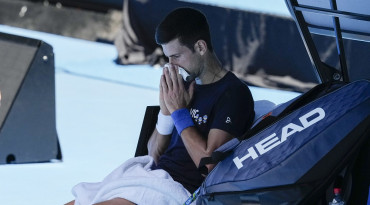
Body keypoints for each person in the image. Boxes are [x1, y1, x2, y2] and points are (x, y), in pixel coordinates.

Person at [66, 7, 254, 205]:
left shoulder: (233, 94)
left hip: (180, 190)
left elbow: (208, 165)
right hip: (150, 177)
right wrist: (166, 112)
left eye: (176, 56)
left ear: (200, 47)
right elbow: (153, 155)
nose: (170, 65)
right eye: (167, 57)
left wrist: (180, 113)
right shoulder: (183, 86)